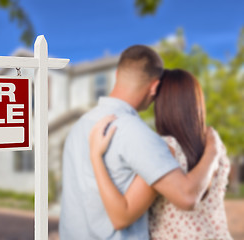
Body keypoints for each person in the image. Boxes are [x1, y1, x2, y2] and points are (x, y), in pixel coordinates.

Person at [59, 45, 223, 239]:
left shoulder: (78, 128)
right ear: (154, 87)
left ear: (118, 74)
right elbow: (187, 197)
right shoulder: (136, 134)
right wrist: (213, 150)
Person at [89, 69, 232, 240]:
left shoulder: (164, 150)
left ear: (161, 104)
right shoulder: (214, 145)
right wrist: (213, 150)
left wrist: (96, 156)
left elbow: (122, 217)